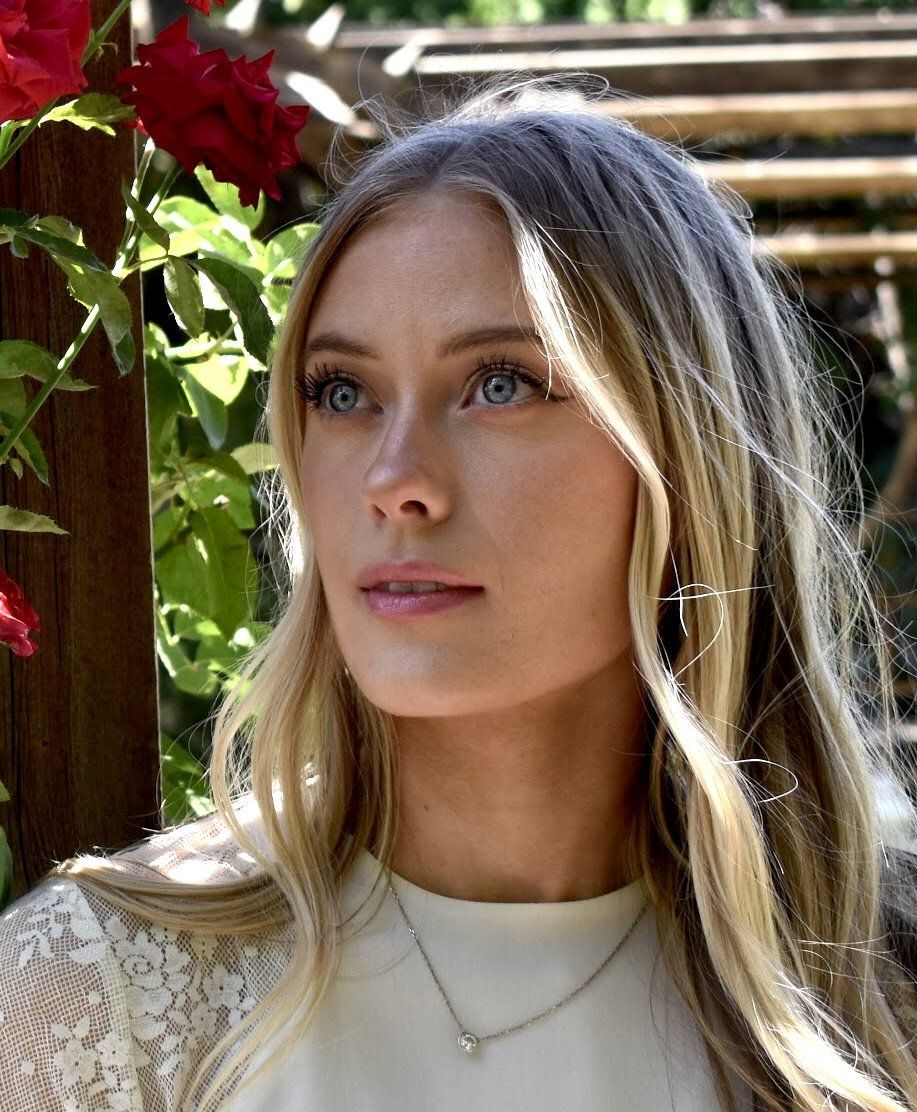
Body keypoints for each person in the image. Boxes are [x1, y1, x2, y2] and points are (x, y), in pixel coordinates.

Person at [1, 74, 915, 1112]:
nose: (394, 479)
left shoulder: (876, 994)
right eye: (342, 392)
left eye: (500, 383)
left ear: (685, 451)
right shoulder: (91, 1001)